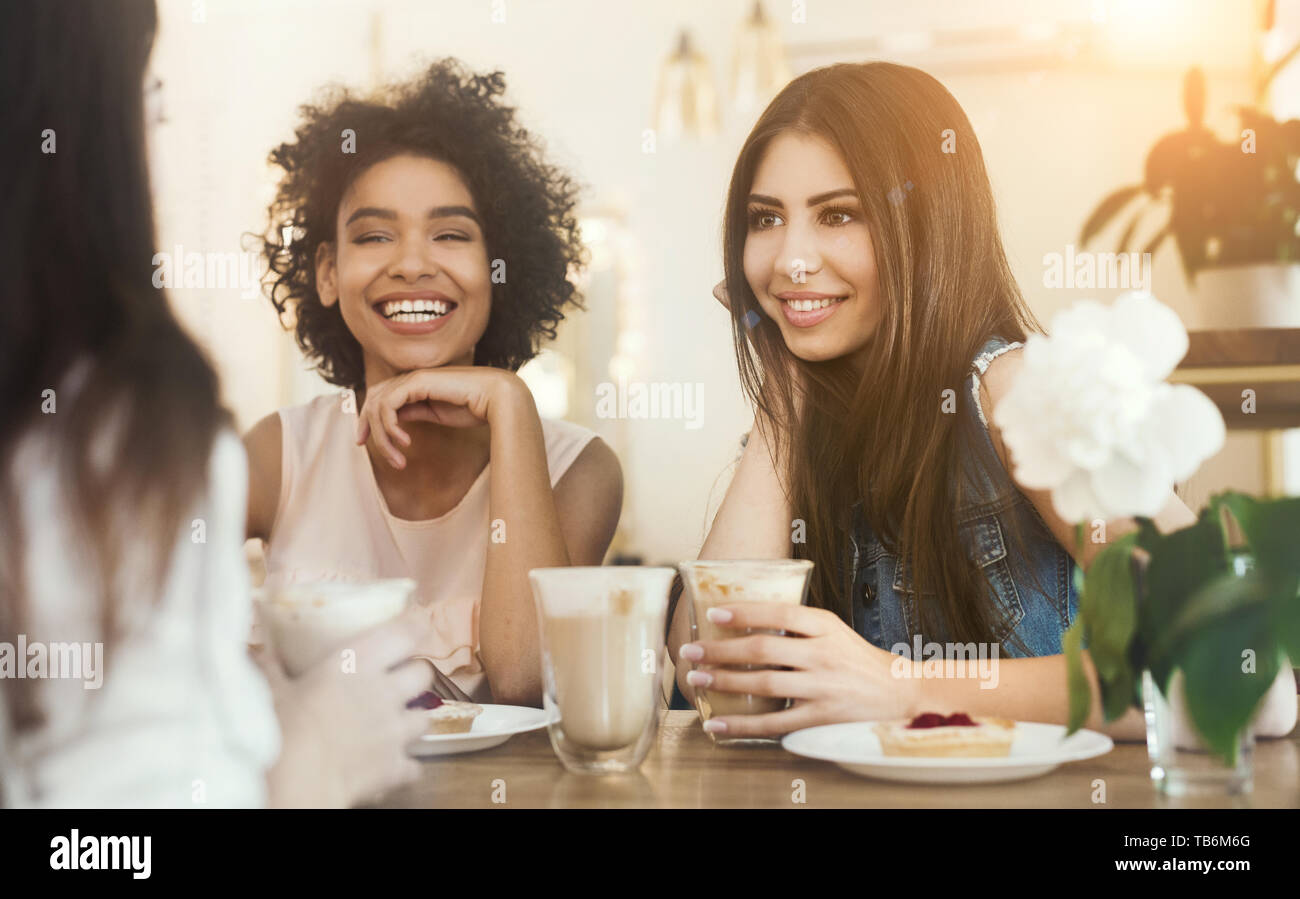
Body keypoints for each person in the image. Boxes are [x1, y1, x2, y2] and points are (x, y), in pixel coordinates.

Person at [667, 62, 1297, 741]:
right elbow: (715, 675)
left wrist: (899, 687)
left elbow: (1251, 680)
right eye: (766, 219)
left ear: (928, 225)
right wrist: (781, 390)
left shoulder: (1018, 391)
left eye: (838, 214)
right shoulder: (805, 418)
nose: (790, 258)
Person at [0, 0, 429, 807]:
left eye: (450, 234)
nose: (411, 264)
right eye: (149, 97)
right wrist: (308, 766)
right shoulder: (116, 428)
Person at [247, 60, 623, 706]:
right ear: (329, 274)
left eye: (450, 234)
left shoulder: (580, 470)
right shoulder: (279, 455)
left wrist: (511, 403)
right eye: (374, 235)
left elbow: (525, 679)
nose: (414, 263)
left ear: (497, 269)